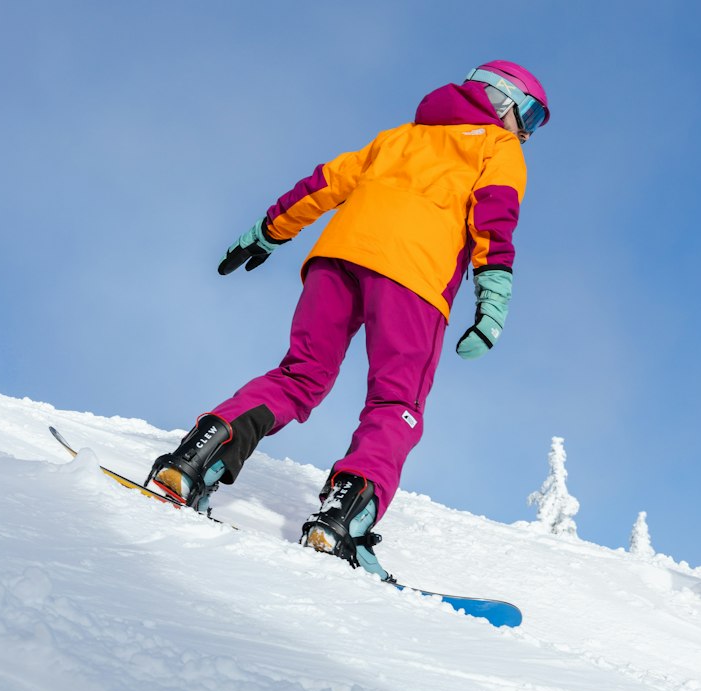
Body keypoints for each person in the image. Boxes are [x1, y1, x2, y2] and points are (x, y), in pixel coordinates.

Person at [146, 60, 550, 579]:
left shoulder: (400, 138)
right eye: (531, 117)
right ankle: (343, 519)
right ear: (502, 101)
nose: (528, 133)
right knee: (396, 400)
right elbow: (495, 215)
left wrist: (269, 230)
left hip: (338, 258)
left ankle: (198, 456)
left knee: (300, 374)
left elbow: (326, 183)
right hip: (413, 277)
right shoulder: (499, 147)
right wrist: (493, 296)